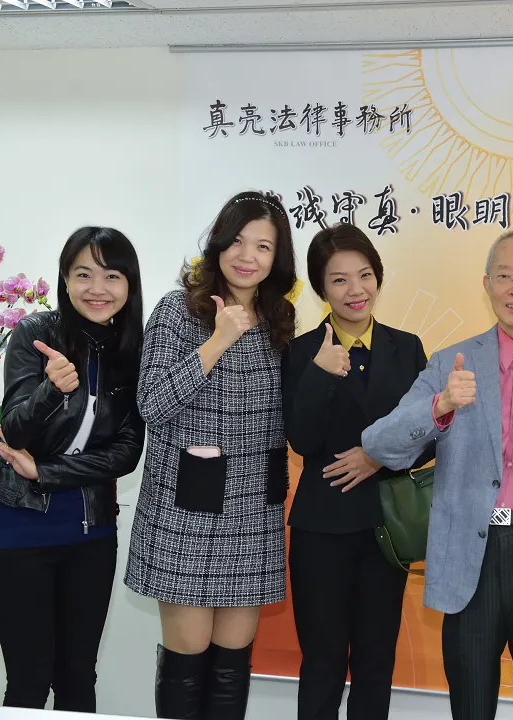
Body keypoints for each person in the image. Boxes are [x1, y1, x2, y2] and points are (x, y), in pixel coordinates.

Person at [362, 227, 513, 720]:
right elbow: (379, 444)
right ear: (486, 284)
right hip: (470, 562)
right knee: (470, 707)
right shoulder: (450, 365)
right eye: (504, 276)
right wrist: (440, 405)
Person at [124, 191, 297, 720]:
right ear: (219, 244)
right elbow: (152, 405)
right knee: (188, 658)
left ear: (277, 258)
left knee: (232, 664)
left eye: (263, 246)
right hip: (187, 512)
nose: (248, 256)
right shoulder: (178, 310)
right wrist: (217, 341)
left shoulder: (279, 316)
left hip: (253, 511)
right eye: (238, 241)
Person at [0, 227, 146, 711]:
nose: (98, 288)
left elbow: (126, 452)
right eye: (84, 275)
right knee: (28, 680)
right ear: (65, 280)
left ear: (129, 284)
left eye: (112, 276)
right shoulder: (35, 333)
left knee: (77, 679)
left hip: (90, 534)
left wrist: (45, 473)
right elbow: (13, 431)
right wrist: (51, 390)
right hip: (18, 529)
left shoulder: (133, 351)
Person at [282, 223, 432, 720]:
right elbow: (302, 440)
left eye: (364, 275)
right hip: (321, 529)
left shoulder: (406, 347)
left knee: (376, 661)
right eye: (339, 279)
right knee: (322, 662)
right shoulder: (300, 352)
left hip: (387, 529)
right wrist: (320, 374)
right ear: (321, 288)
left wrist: (377, 455)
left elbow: (430, 435)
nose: (355, 290)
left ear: (378, 278)